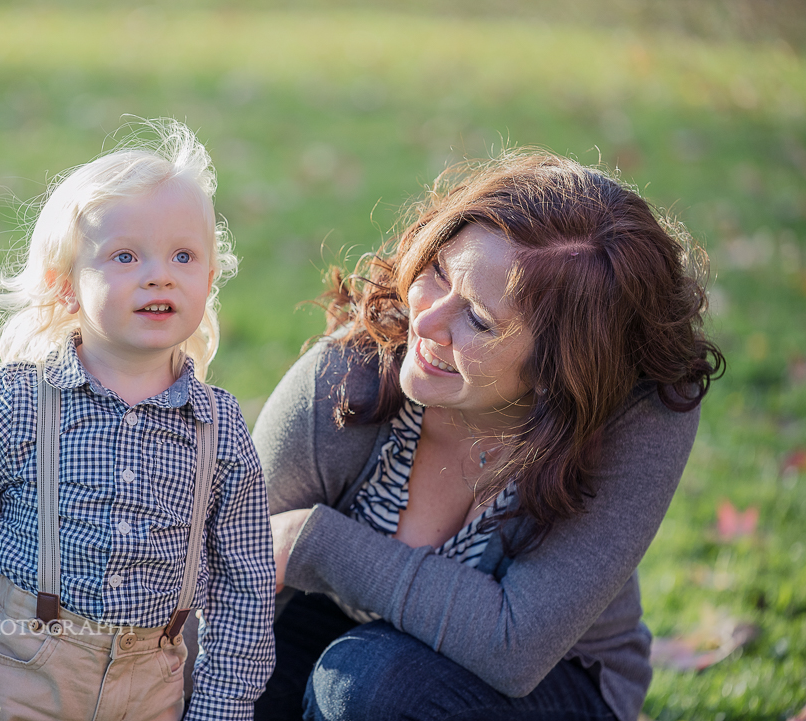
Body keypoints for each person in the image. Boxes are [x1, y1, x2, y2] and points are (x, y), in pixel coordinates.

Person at [254, 150, 723, 721]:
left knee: (371, 686)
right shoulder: (345, 381)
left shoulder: (639, 413)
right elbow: (223, 585)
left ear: (562, 366)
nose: (424, 322)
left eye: (477, 318)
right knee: (242, 681)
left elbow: (516, 648)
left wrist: (315, 542)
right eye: (438, 273)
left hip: (555, 682)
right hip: (334, 625)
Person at [0, 119, 275, 721]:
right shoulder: (21, 400)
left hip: (152, 682)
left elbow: (243, 587)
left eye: (183, 256)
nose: (159, 273)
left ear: (209, 279)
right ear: (65, 287)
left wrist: (223, 702)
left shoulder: (218, 430)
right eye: (125, 255)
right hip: (24, 665)